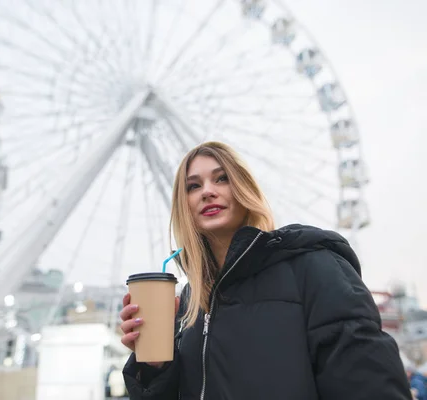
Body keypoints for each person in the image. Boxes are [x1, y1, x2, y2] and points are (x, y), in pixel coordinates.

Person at [119, 142, 411, 399]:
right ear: (184, 205)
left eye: (222, 179)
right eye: (193, 186)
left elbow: (369, 384)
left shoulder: (314, 267)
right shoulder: (191, 300)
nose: (207, 191)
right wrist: (156, 366)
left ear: (244, 187)